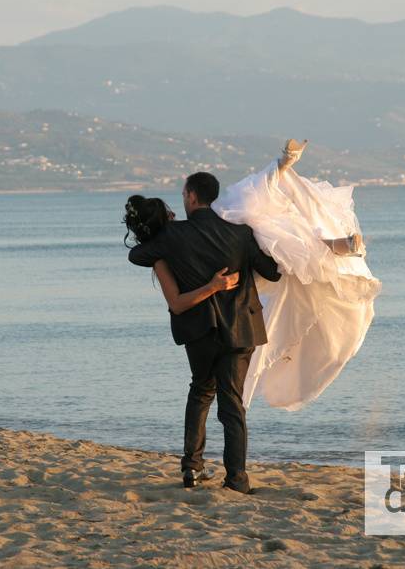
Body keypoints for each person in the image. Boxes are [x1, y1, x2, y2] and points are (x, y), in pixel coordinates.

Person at [125, 173, 281, 494]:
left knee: (201, 392)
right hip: (241, 328)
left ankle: (192, 468)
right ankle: (237, 479)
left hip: (200, 331)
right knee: (232, 404)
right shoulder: (240, 233)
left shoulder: (173, 235)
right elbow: (272, 272)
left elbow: (136, 255)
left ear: (192, 197)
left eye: (184, 194)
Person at [213, 140, 381, 412]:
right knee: (295, 236)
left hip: (268, 249)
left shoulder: (232, 214)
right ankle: (336, 245)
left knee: (288, 239)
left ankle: (334, 243)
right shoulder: (251, 210)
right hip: (278, 243)